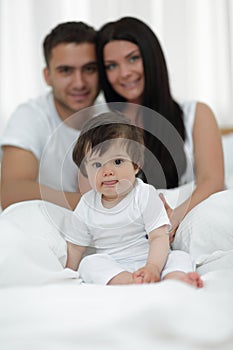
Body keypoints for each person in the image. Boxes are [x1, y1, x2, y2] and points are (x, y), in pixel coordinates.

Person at [96, 16, 225, 240]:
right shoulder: (101, 126)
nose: (124, 73)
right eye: (112, 66)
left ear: (152, 58)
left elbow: (212, 180)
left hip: (183, 220)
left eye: (133, 58)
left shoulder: (196, 114)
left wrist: (174, 217)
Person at [0, 21, 102, 286]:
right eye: (66, 70)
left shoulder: (112, 116)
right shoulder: (30, 116)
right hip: (44, 232)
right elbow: (11, 190)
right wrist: (91, 203)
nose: (79, 82)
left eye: (89, 69)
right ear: (47, 76)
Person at [65, 112, 203, 288]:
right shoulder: (86, 205)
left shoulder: (144, 194)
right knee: (89, 264)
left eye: (117, 161)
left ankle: (174, 280)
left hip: (152, 259)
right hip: (115, 267)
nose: (107, 171)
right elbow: (76, 247)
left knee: (180, 256)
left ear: (136, 164)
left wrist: (152, 267)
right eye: (97, 165)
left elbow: (158, 237)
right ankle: (131, 281)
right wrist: (67, 274)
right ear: (85, 171)